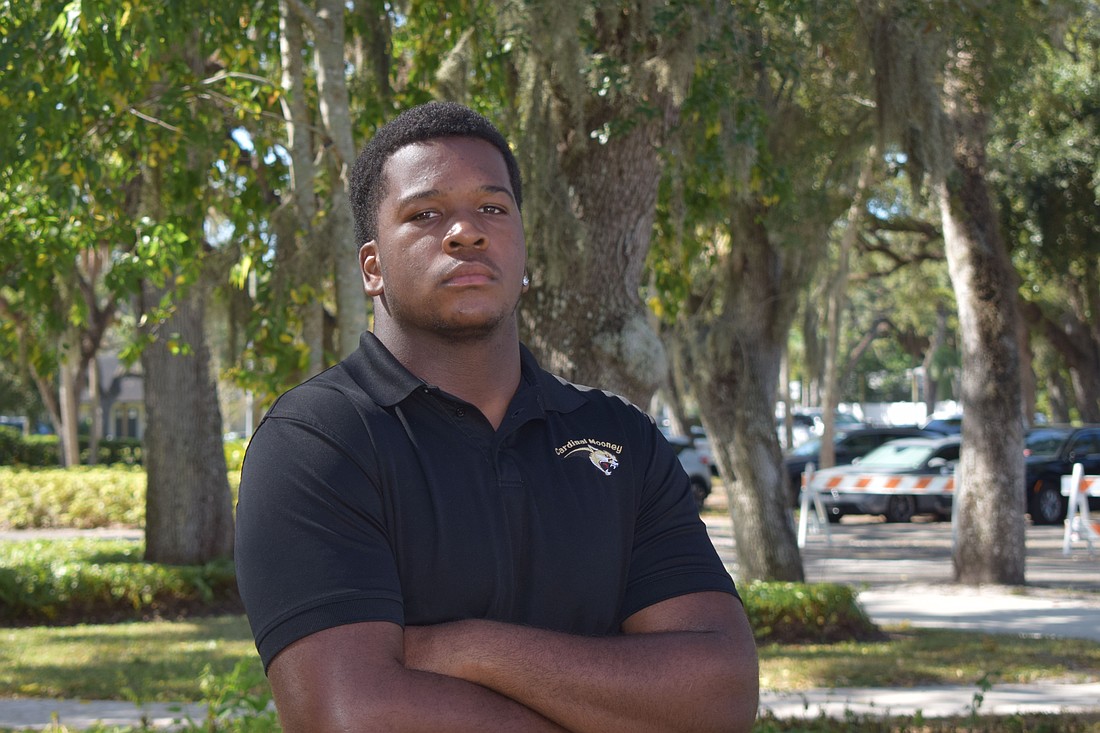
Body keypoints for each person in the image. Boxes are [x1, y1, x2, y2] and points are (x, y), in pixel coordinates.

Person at [234, 101, 759, 732]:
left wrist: (460, 647)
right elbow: (348, 716)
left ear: (523, 249)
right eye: (425, 214)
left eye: (492, 208)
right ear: (372, 267)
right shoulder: (317, 442)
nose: (467, 232)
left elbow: (721, 697)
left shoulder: (621, 439)